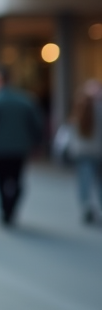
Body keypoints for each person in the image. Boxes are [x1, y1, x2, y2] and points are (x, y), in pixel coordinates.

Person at [0, 66, 43, 227]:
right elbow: (36, 124)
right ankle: (10, 207)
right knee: (17, 179)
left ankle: (5, 208)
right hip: (20, 147)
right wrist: (36, 143)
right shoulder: (25, 99)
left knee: (0, 180)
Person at [55, 90, 101, 224]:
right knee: (99, 183)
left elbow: (67, 136)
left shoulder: (77, 112)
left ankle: (86, 206)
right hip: (98, 152)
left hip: (82, 153)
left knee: (84, 181)